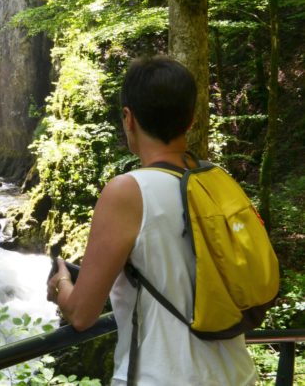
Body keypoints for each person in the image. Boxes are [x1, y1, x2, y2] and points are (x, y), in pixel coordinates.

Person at [46, 56, 257, 385]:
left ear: (129, 119)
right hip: (236, 375)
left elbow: (82, 314)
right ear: (190, 119)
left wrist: (61, 284)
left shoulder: (127, 191)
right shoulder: (217, 180)